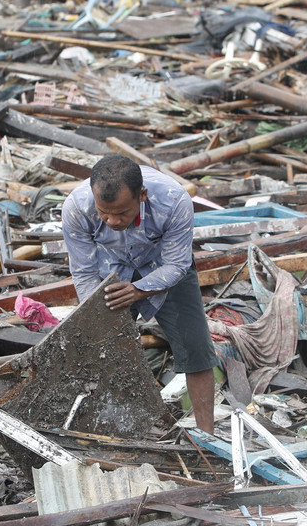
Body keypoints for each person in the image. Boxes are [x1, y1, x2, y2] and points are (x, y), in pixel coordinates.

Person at [61, 155, 218, 433]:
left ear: (142, 195)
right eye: (104, 213)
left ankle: (208, 434)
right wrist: (96, 312)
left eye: (122, 213)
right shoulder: (76, 207)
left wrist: (139, 289)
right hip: (110, 270)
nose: (112, 220)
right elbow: (84, 273)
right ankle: (108, 433)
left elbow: (177, 264)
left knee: (196, 349)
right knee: (98, 351)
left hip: (164, 268)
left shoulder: (173, 201)